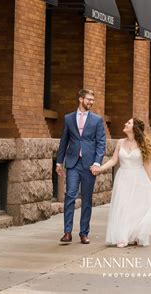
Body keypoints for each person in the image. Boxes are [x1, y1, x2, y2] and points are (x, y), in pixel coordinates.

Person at [92, 117, 151, 247]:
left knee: (137, 207)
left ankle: (136, 234)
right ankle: (123, 237)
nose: (125, 124)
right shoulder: (120, 142)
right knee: (123, 206)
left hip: (139, 178)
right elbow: (114, 160)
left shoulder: (142, 143)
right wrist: (100, 168)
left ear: (134, 128)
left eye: (129, 123)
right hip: (123, 178)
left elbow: (147, 164)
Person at [56, 88, 106, 244]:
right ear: (80, 99)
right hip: (72, 163)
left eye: (92, 100)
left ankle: (84, 233)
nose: (91, 102)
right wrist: (59, 161)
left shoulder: (97, 120)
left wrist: (97, 162)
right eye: (89, 99)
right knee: (70, 195)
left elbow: (101, 143)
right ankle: (67, 232)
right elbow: (64, 141)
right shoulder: (69, 118)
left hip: (89, 165)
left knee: (86, 199)